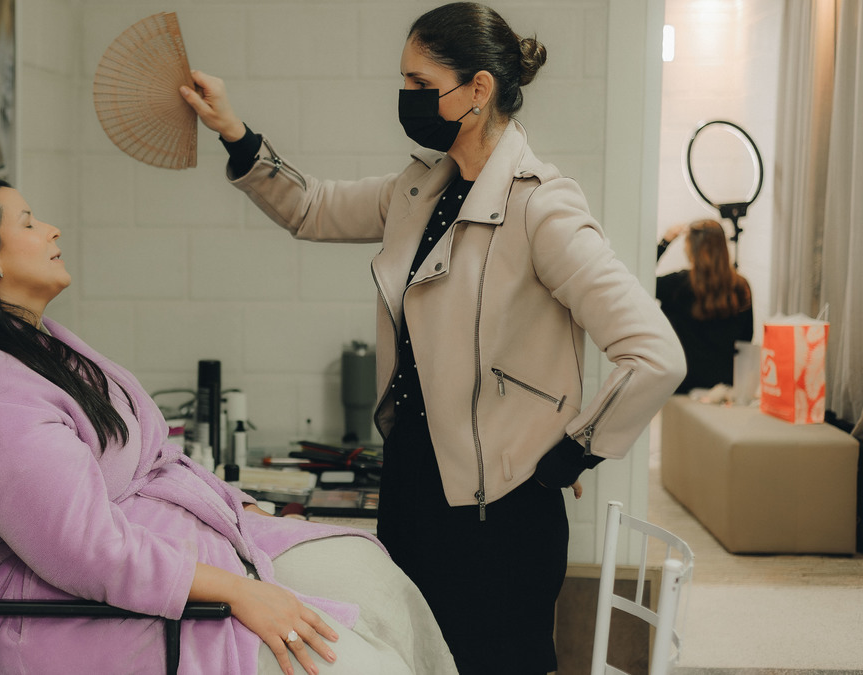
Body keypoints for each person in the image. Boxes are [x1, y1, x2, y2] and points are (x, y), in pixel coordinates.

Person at [179, 3, 686, 673]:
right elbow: (310, 206)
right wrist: (232, 130)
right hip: (413, 489)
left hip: (499, 520)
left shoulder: (542, 206)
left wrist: (569, 454)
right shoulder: (419, 188)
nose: (407, 96)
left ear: (479, 89)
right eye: (404, 81)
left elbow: (655, 354)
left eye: (421, 84)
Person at [0, 176, 456, 675]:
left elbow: (151, 460)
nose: (52, 231)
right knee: (356, 662)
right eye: (28, 223)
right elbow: (85, 548)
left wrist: (241, 509)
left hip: (180, 552)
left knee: (373, 578)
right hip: (93, 611)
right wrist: (242, 592)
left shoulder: (31, 346)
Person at [656, 218, 754, 393]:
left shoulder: (677, 285)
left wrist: (665, 242)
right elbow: (747, 336)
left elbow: (640, 279)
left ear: (691, 248)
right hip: (723, 383)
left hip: (683, 382)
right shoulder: (741, 286)